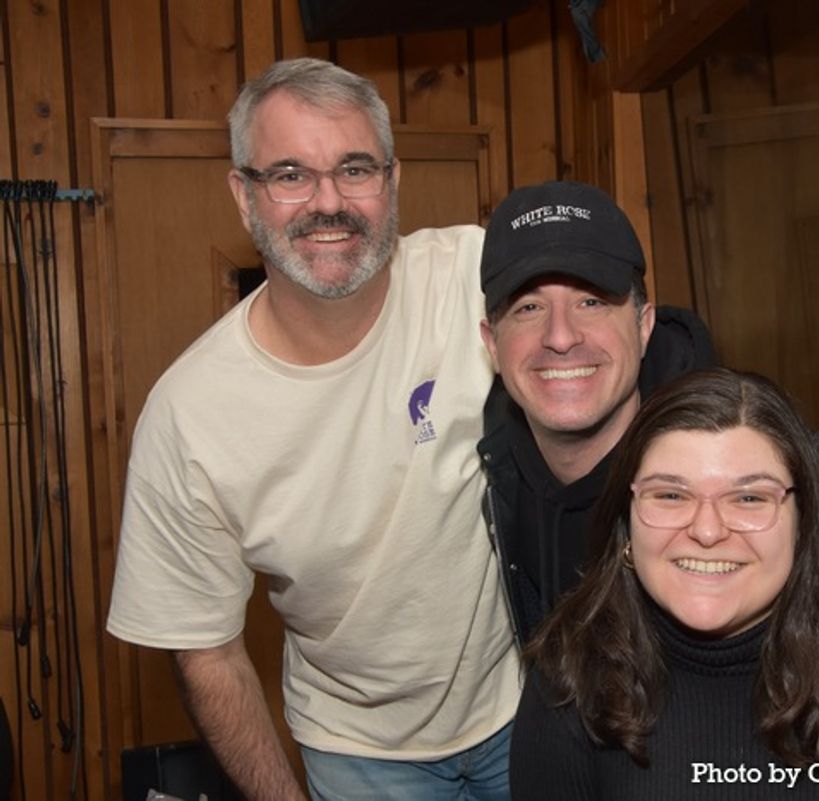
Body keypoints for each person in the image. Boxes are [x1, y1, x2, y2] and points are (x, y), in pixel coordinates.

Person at [476, 180, 819, 776]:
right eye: (529, 307)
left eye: (591, 301)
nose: (560, 336)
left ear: (643, 324)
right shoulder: (499, 449)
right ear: (491, 343)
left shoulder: (743, 453)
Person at [106, 58, 520, 801]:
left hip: (531, 709)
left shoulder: (476, 275)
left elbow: (620, 337)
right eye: (291, 174)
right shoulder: (189, 417)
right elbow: (207, 653)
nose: (329, 202)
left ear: (391, 180)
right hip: (357, 755)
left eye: (354, 167)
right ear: (244, 195)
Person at [509, 367, 819, 800]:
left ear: (804, 523)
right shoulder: (569, 669)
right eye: (671, 494)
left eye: (750, 497)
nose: (708, 530)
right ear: (625, 519)